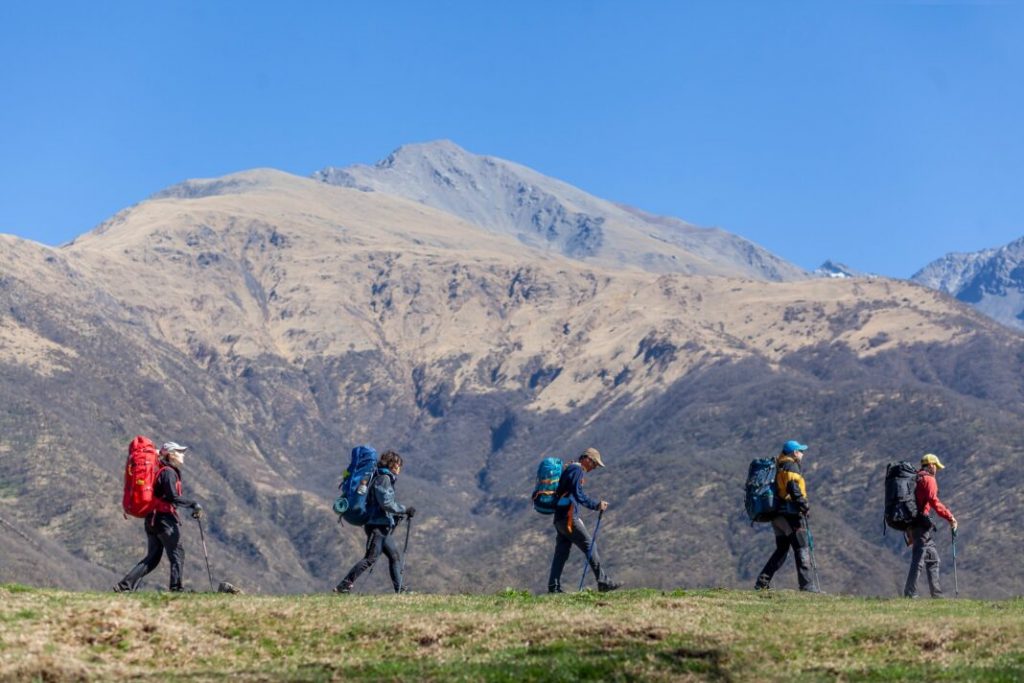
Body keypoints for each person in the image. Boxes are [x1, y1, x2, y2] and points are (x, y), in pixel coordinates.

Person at [115, 442, 204, 592]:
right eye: (179, 451)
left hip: (152, 519)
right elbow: (172, 497)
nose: (183, 454)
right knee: (177, 553)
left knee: (153, 557)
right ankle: (176, 588)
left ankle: (124, 586)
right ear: (170, 454)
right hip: (164, 519)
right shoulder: (168, 472)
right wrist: (194, 504)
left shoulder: (161, 470)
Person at [335, 450, 415, 594]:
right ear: (391, 464)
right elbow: (386, 503)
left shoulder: (382, 477)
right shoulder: (383, 478)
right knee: (370, 558)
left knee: (394, 556)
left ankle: (400, 589)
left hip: (383, 525)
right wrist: (404, 510)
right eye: (397, 465)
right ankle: (344, 585)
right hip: (377, 526)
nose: (399, 469)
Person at [547, 447, 621, 593]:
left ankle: (553, 588)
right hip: (568, 518)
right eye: (594, 464)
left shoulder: (570, 469)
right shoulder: (577, 470)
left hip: (560, 519)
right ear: (586, 459)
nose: (594, 468)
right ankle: (603, 581)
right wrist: (596, 505)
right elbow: (579, 495)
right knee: (590, 545)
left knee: (561, 553)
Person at [754, 440, 820, 592]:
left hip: (776, 515)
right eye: (801, 451)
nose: (803, 454)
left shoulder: (779, 465)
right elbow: (793, 487)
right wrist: (804, 505)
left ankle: (762, 582)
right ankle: (807, 586)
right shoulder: (791, 466)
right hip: (789, 513)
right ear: (795, 452)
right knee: (802, 548)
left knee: (782, 549)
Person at [904, 453, 957, 598]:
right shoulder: (929, 480)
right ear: (931, 465)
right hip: (921, 524)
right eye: (937, 467)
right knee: (918, 558)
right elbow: (934, 501)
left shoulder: (916, 478)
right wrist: (950, 517)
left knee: (933, 559)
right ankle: (910, 593)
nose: (937, 470)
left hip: (915, 524)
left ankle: (937, 595)